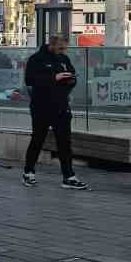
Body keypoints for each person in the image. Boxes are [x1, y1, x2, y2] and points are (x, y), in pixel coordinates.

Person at [24, 36, 88, 190]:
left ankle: (69, 176)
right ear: (51, 45)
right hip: (41, 106)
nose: (63, 51)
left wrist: (70, 79)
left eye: (64, 48)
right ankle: (29, 172)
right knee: (38, 139)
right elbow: (30, 80)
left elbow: (72, 75)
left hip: (61, 106)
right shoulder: (36, 59)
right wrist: (54, 77)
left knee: (65, 142)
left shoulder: (64, 59)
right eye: (60, 48)